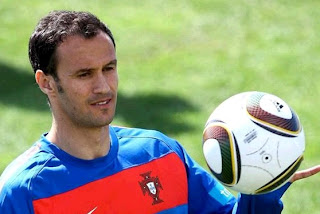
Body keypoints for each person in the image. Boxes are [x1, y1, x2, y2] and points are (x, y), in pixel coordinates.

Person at [0, 10, 319, 214]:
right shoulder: (23, 193)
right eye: (84, 74)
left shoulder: (159, 153)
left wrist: (262, 192)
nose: (104, 87)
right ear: (46, 83)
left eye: (109, 68)